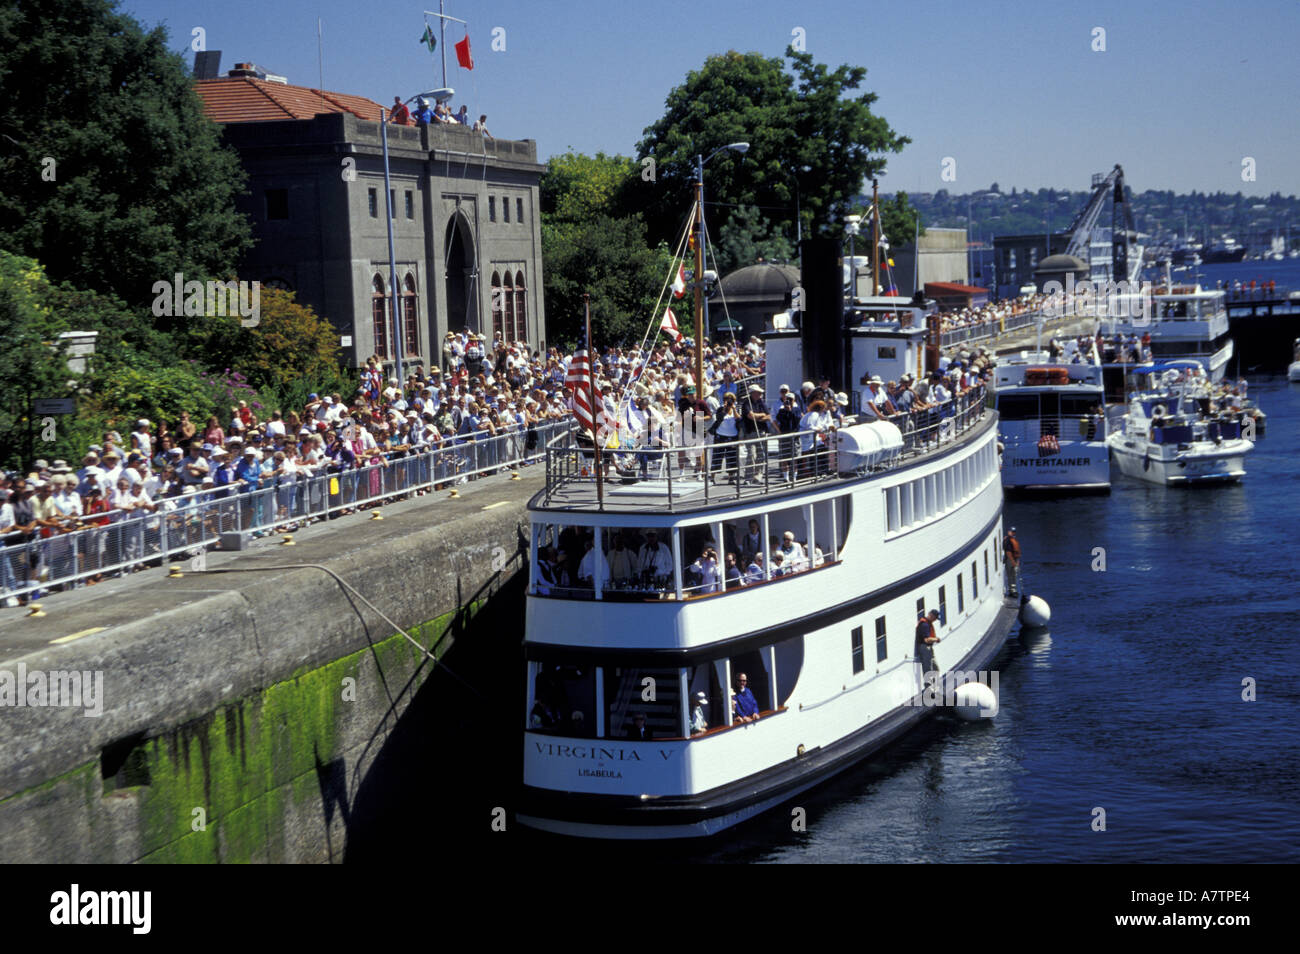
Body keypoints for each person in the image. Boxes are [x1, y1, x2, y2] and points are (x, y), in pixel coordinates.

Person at [915, 609, 941, 674]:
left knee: (935, 669)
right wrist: (936, 639)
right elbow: (927, 640)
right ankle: (928, 683)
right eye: (935, 618)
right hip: (925, 648)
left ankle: (934, 682)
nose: (935, 620)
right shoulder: (924, 625)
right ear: (931, 615)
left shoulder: (927, 623)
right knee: (928, 668)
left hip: (929, 648)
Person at [1003, 526, 1021, 596]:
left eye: (1014, 531)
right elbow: (1008, 552)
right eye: (1011, 531)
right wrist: (1013, 562)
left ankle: (1014, 590)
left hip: (1014, 560)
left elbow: (1017, 552)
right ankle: (1012, 591)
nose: (1013, 533)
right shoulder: (1008, 540)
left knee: (1014, 575)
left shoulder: (1014, 540)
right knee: (1010, 575)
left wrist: (1017, 562)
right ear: (1009, 532)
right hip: (1010, 560)